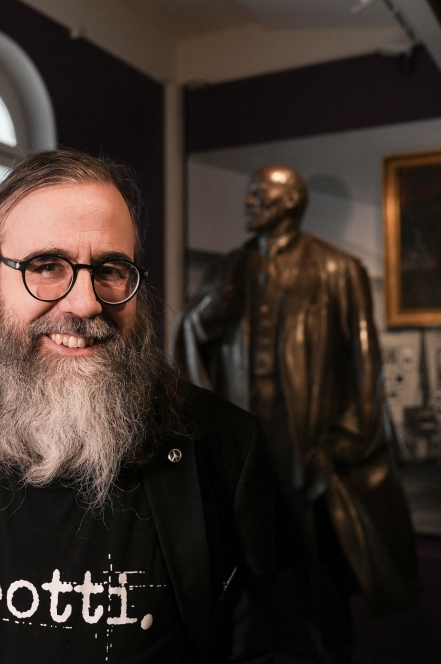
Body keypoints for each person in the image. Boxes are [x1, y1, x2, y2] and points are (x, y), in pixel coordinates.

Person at [0, 150, 282, 663]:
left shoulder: (224, 447)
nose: (85, 302)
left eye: (110, 269)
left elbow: (265, 645)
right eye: (46, 266)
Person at [173, 165, 421, 663]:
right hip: (244, 437)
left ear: (290, 202)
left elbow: (365, 361)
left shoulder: (337, 269)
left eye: (257, 194)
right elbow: (188, 340)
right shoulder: (227, 269)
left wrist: (348, 439)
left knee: (317, 575)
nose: (247, 203)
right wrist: (201, 320)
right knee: (245, 562)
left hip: (309, 442)